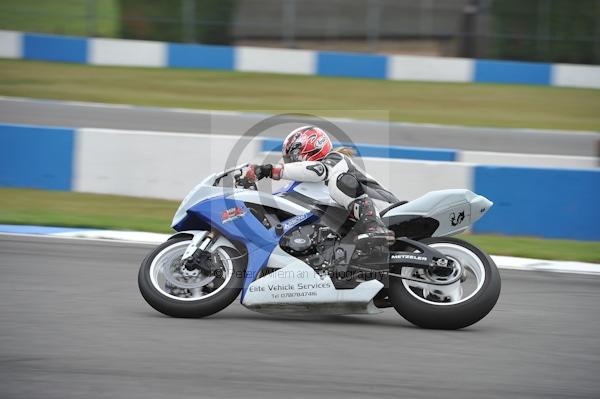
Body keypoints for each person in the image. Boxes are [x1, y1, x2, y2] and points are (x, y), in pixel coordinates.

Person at [243, 125, 397, 246]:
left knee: (340, 181)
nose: (291, 161)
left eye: (293, 155)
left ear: (311, 147)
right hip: (352, 224)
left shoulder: (334, 159)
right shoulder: (307, 182)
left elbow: (318, 171)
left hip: (384, 211)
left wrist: (271, 170)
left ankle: (374, 226)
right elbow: (281, 200)